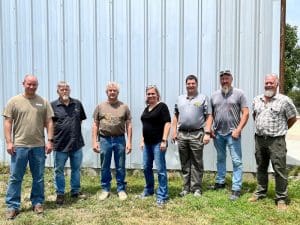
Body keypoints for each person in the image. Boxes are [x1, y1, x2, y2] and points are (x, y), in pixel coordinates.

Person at [3, 74, 54, 220]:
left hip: (38, 146)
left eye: (34, 85)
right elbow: (8, 122)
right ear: (23, 83)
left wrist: (50, 141)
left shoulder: (43, 102)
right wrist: (9, 141)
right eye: (29, 84)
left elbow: (49, 122)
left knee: (38, 177)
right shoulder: (14, 101)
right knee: (15, 177)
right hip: (19, 146)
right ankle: (13, 206)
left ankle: (37, 202)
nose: (31, 87)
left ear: (37, 85)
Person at [248, 74, 297, 210]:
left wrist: (282, 129)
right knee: (261, 167)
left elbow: (292, 118)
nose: (268, 85)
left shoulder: (284, 100)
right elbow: (255, 116)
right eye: (267, 83)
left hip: (276, 141)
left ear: (277, 84)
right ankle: (260, 192)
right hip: (259, 139)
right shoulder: (257, 99)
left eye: (271, 83)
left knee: (279, 169)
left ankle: (281, 198)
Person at [204, 70, 249, 201]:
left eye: (227, 78)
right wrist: (209, 129)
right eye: (222, 79)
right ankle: (220, 182)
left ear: (231, 79)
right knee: (220, 159)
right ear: (220, 80)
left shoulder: (239, 94)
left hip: (233, 134)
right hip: (218, 134)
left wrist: (239, 129)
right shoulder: (214, 95)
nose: (224, 81)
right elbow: (210, 115)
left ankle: (236, 188)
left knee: (236, 161)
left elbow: (245, 113)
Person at [172, 74, 211, 197]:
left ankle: (196, 188)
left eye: (193, 83)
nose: (190, 85)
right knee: (185, 162)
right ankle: (185, 188)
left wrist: (207, 133)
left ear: (196, 84)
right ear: (186, 85)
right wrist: (174, 131)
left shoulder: (203, 98)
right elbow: (175, 116)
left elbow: (209, 116)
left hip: (197, 133)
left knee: (197, 162)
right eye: (188, 83)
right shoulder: (180, 99)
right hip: (182, 134)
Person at [92, 81, 132, 201]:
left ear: (118, 92)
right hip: (105, 139)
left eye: (114, 90)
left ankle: (121, 189)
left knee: (120, 165)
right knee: (105, 165)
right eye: (110, 90)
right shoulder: (100, 107)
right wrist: (95, 141)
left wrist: (129, 141)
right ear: (107, 92)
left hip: (120, 139)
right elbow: (95, 125)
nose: (112, 92)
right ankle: (105, 189)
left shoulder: (124, 107)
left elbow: (129, 125)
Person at [51, 81, 87, 205]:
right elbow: (50, 125)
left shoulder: (77, 104)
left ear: (69, 90)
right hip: (60, 144)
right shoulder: (53, 106)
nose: (64, 91)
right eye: (62, 89)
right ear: (58, 91)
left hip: (76, 144)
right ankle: (60, 193)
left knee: (76, 169)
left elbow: (80, 120)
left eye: (66, 89)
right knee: (59, 170)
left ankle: (75, 191)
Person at [139, 85, 171, 207]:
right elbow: (145, 126)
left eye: (153, 93)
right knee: (146, 167)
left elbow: (167, 123)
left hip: (158, 143)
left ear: (157, 95)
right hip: (147, 144)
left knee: (160, 169)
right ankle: (149, 189)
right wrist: (142, 140)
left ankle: (163, 195)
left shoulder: (162, 107)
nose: (151, 95)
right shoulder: (146, 109)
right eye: (149, 94)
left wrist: (164, 140)